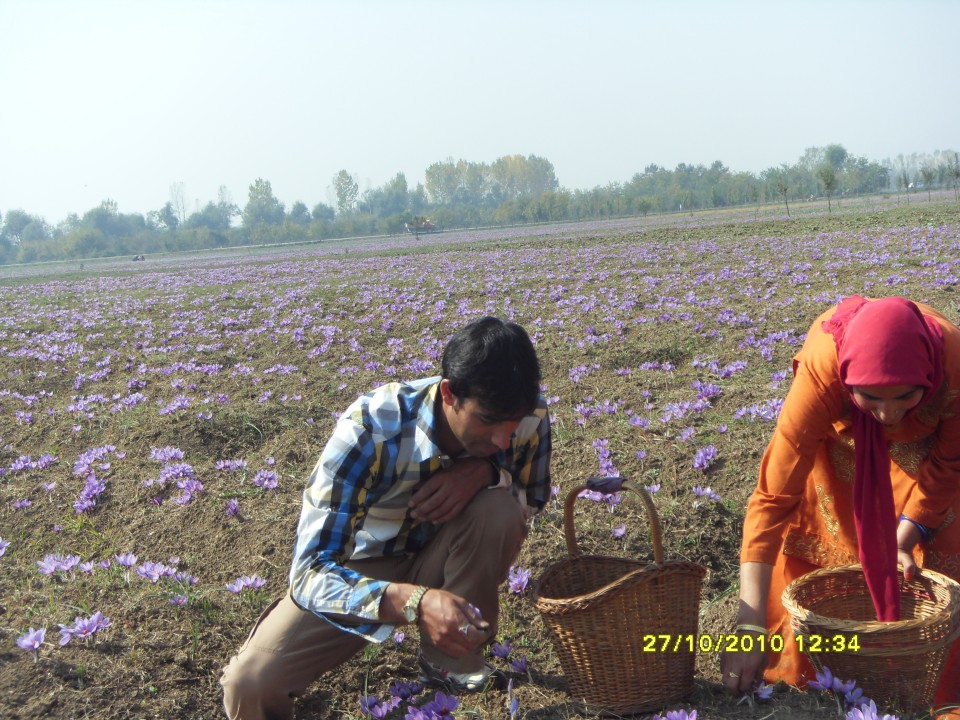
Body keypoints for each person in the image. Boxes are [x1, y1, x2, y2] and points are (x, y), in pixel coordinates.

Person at [220, 316, 551, 720]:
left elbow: (531, 497)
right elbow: (310, 574)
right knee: (250, 683)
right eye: (487, 420)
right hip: (365, 566)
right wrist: (413, 601)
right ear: (449, 394)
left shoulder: (528, 413)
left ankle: (451, 663)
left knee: (499, 508)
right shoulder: (373, 427)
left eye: (512, 426)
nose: (503, 439)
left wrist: (486, 474)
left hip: (448, 549)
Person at [720, 295, 960, 704]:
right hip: (843, 437)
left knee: (933, 552)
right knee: (837, 536)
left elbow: (951, 462)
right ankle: (823, 674)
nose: (887, 414)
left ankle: (928, 685)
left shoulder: (953, 366)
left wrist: (905, 536)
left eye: (904, 396)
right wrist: (750, 625)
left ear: (928, 380)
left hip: (921, 450)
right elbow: (773, 498)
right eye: (873, 397)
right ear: (849, 383)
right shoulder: (823, 371)